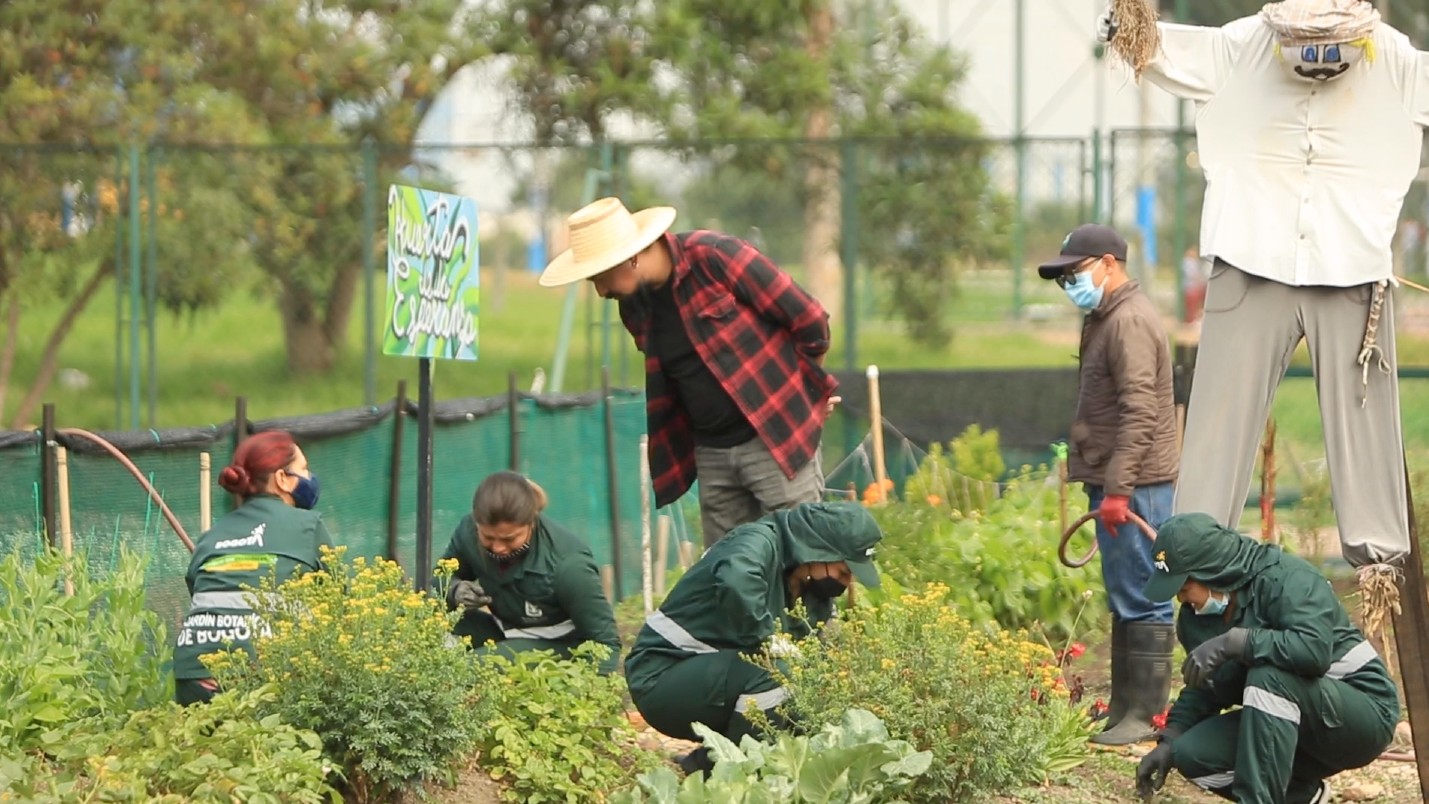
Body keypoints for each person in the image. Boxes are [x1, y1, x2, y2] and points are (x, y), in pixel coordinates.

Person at [1096, 0, 1416, 572]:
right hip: (1250, 256)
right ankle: (1194, 560)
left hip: (1352, 270)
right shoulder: (1241, 44)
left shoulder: (1392, 58)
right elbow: (1144, 41)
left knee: (1366, 431)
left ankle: (1379, 574)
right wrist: (1126, 13)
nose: (1319, 59)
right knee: (1217, 426)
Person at [538, 197, 838, 548]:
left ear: (632, 257)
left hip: (774, 440)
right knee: (731, 573)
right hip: (712, 451)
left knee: (803, 556)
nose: (601, 290)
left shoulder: (715, 257)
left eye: (601, 276)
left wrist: (807, 389)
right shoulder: (634, 306)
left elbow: (809, 319)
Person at [1135, 513, 1397, 804]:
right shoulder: (1195, 620)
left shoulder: (1289, 579)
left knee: (1270, 675)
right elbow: (1208, 685)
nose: (1182, 600)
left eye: (1184, 589)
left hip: (1362, 718)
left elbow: (1312, 652)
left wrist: (1237, 642)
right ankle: (1300, 795)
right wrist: (1171, 738)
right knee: (1191, 754)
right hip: (1287, 726)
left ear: (1213, 572)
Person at [1037, 223, 1179, 745]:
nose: (1069, 284)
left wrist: (1119, 490)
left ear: (1108, 264)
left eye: (1074, 273)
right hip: (1124, 479)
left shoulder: (1129, 322)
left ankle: (1144, 715)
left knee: (1146, 592)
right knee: (1127, 592)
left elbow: (1140, 412)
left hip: (1137, 483)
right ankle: (1125, 708)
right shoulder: (1108, 315)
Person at [623, 501, 883, 776]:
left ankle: (705, 765)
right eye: (843, 571)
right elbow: (736, 580)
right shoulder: (757, 542)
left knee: (804, 686)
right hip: (661, 677)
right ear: (820, 549)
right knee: (774, 673)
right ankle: (738, 777)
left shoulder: (809, 586)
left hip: (712, 676)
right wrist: (767, 638)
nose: (846, 582)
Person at [173, 431, 331, 706]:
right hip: (263, 673)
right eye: (303, 469)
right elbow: (337, 605)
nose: (310, 477)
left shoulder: (210, 537)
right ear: (282, 479)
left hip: (194, 673)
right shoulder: (308, 526)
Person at [437, 471, 621, 675]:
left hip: (560, 644)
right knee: (418, 626)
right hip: (502, 628)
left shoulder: (568, 565)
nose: (498, 548)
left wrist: (588, 692)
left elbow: (606, 642)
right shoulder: (467, 533)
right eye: (488, 537)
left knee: (473, 668)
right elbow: (439, 580)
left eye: (509, 539)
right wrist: (455, 590)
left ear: (531, 523)